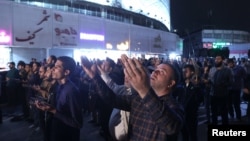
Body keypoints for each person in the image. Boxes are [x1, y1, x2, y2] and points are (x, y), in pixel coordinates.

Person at [82, 54, 184, 141]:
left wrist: (144, 90)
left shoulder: (174, 106)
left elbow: (171, 126)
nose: (155, 72)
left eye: (162, 72)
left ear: (171, 83)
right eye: (156, 69)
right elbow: (111, 99)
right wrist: (94, 77)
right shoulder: (138, 98)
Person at [35, 56, 83, 141]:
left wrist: (53, 111)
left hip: (66, 135)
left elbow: (77, 123)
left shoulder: (71, 91)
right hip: (56, 131)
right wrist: (47, 107)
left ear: (66, 72)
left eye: (57, 67)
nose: (52, 69)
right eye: (54, 66)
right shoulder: (58, 86)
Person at [209, 54, 234, 125]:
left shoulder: (228, 70)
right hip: (213, 93)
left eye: (218, 59)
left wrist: (223, 84)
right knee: (214, 112)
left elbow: (231, 81)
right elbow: (210, 79)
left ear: (222, 60)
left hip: (223, 94)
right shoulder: (212, 69)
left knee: (224, 113)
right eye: (216, 59)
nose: (216, 60)